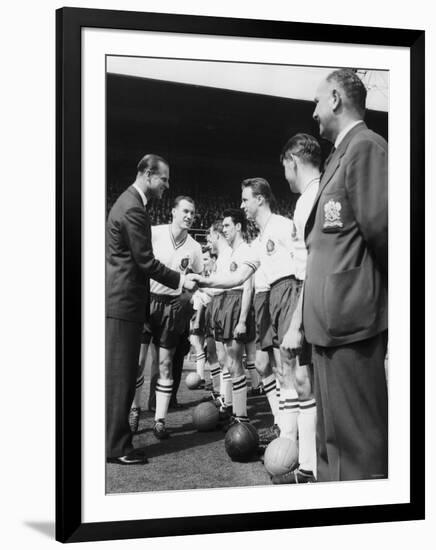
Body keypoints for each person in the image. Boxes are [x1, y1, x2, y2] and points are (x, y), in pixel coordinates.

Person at [303, 68, 388, 481]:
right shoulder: (340, 152)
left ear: (335, 98)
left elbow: (385, 235)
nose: (314, 112)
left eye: (318, 102)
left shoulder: (367, 147)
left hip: (352, 324)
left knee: (359, 448)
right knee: (331, 444)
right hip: (328, 328)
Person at [106, 154, 196, 465]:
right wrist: (181, 281)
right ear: (147, 173)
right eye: (164, 179)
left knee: (123, 373)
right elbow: (145, 261)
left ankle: (113, 439)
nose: (166, 185)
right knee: (121, 375)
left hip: (127, 301)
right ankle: (116, 447)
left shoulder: (131, 203)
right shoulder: (132, 206)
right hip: (125, 301)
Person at [196, 180, 301, 444]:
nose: (242, 205)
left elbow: (304, 263)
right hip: (267, 300)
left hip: (288, 292)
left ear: (260, 199)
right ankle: (283, 426)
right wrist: (206, 282)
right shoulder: (258, 242)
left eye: (245, 200)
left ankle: (291, 434)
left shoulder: (283, 226)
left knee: (288, 368)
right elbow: (240, 277)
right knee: (268, 366)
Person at [270, 133, 322, 484]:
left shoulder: (309, 199)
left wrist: (296, 323)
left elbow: (311, 265)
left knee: (309, 381)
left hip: (312, 297)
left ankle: (312, 468)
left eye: (285, 167)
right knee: (304, 381)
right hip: (312, 296)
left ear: (293, 160)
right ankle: (308, 465)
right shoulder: (311, 195)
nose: (285, 175)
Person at [136, 196, 203, 439]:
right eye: (185, 211)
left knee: (165, 363)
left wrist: (186, 299)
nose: (189, 216)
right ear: (173, 212)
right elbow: (140, 263)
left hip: (170, 308)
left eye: (192, 213)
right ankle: (135, 409)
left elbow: (198, 280)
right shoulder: (154, 233)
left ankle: (160, 421)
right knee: (138, 362)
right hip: (147, 301)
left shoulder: (195, 248)